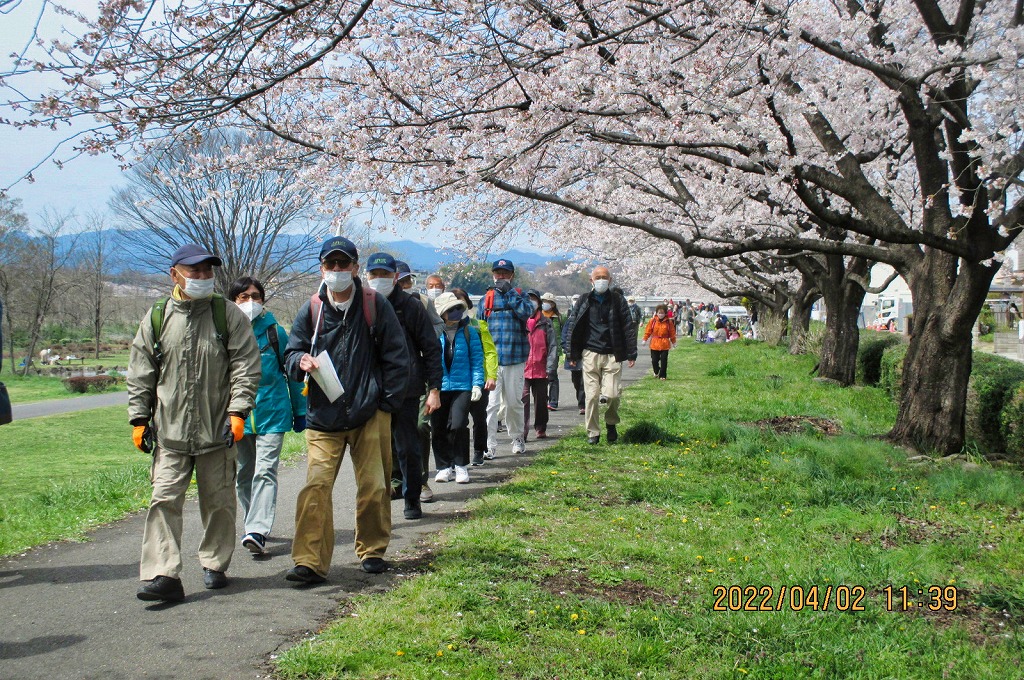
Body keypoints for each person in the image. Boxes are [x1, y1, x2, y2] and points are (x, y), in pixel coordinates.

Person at [128, 244, 261, 602]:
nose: (202, 277)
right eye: (194, 271)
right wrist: (139, 419)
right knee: (163, 500)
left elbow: (246, 367)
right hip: (170, 432)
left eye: (207, 271)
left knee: (218, 502)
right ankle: (163, 574)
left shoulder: (227, 315)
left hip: (217, 431)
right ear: (175, 275)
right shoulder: (157, 318)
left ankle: (214, 564)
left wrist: (238, 413)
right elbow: (141, 372)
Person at [283, 236, 409, 582]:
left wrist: (385, 404)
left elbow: (398, 358)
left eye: (343, 264)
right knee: (315, 488)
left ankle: (372, 550)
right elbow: (291, 352)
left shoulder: (373, 304)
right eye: (330, 265)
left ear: (356, 268)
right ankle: (308, 561)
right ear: (322, 268)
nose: (336, 271)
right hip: (323, 416)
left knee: (374, 486)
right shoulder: (311, 308)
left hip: (370, 413)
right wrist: (300, 361)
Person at [227, 276, 307, 556]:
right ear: (233, 301)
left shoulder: (275, 332)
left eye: (256, 296)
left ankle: (257, 529)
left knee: (265, 470)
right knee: (244, 474)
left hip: (273, 412)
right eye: (243, 297)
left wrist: (300, 410)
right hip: (237, 416)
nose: (250, 302)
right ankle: (253, 523)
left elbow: (294, 375)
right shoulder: (224, 331)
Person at [364, 252, 442, 521]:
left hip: (407, 388)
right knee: (374, 449)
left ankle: (412, 497)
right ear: (366, 276)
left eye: (384, 275)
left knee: (408, 446)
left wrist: (434, 388)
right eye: (374, 275)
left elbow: (430, 348)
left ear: (395, 277)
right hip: (371, 389)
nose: (379, 280)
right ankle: (380, 498)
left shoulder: (410, 306)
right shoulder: (362, 304)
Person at [564, 265, 637, 445]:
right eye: (598, 277)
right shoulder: (584, 300)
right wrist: (571, 353)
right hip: (590, 353)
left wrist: (631, 352)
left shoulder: (618, 300)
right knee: (592, 396)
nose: (601, 280)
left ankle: (611, 423)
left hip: (613, 353)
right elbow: (573, 326)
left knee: (612, 395)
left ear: (610, 280)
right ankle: (593, 432)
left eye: (604, 277)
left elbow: (628, 327)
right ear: (592, 280)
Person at [393, 259, 444, 505]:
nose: (404, 284)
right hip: (388, 381)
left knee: (420, 427)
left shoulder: (421, 303)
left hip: (418, 377)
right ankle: (396, 480)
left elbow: (438, 327)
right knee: (390, 432)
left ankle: (419, 480)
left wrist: (420, 332)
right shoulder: (374, 303)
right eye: (400, 280)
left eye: (406, 280)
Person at [481, 258, 533, 458]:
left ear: (512, 275)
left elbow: (526, 313)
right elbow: (480, 326)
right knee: (491, 405)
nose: (500, 276)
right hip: (492, 361)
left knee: (513, 403)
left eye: (504, 273)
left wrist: (509, 292)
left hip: (515, 358)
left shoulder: (521, 295)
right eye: (497, 273)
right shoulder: (487, 298)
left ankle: (517, 437)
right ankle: (489, 444)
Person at [431, 292, 484, 484]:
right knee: (438, 427)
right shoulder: (434, 333)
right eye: (450, 310)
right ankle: (444, 466)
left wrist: (477, 384)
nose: (455, 313)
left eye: (458, 308)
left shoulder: (470, 332)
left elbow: (477, 360)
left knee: (459, 425)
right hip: (439, 387)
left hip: (463, 385)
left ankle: (461, 465)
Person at [450, 288, 499, 466]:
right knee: (456, 421)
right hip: (456, 381)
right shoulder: (443, 327)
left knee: (479, 418)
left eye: (460, 302)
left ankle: (480, 450)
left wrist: (491, 375)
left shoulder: (478, 325)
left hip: (480, 379)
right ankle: (455, 456)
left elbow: (489, 352)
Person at [522, 289, 555, 440]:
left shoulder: (546, 323)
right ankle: (522, 431)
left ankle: (541, 427)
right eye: (528, 299)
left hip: (541, 368)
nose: (531, 302)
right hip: (523, 367)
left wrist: (550, 366)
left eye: (534, 299)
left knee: (541, 401)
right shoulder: (520, 321)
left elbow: (553, 346)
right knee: (523, 399)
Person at [562, 295, 586, 415]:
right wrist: (568, 352)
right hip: (572, 355)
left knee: (583, 381)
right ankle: (581, 400)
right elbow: (564, 336)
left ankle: (583, 404)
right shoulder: (570, 319)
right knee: (576, 380)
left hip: (585, 354)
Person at [540, 292, 563, 411]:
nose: (545, 304)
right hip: (539, 350)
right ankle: (543, 399)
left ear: (553, 304)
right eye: (544, 301)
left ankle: (553, 401)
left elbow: (564, 333)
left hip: (554, 350)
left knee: (552, 375)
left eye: (548, 302)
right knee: (541, 377)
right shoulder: (538, 316)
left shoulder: (558, 317)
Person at [642, 304, 677, 380]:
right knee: (654, 360)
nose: (661, 315)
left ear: (665, 313)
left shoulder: (668, 322)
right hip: (654, 343)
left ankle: (663, 375)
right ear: (656, 313)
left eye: (662, 313)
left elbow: (672, 332)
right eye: (659, 313)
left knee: (664, 360)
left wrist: (674, 342)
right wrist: (645, 339)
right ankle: (656, 370)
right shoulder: (653, 321)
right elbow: (648, 331)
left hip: (665, 343)